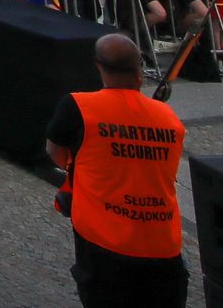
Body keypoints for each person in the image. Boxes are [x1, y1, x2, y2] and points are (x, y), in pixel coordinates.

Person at [46, 33, 188, 308]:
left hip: (104, 243)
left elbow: (55, 153)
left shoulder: (79, 106)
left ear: (99, 67)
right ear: (140, 71)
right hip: (162, 244)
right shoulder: (169, 118)